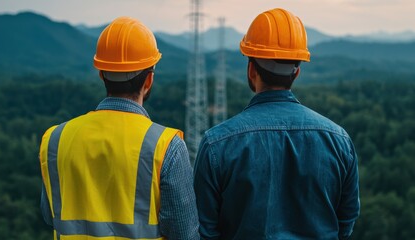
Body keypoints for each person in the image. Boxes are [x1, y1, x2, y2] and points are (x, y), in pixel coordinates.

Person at [194, 8, 360, 240]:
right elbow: (345, 223)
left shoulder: (217, 144)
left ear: (252, 70)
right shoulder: (339, 140)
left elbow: (204, 230)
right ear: (297, 72)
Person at [39, 16, 199, 240]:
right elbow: (184, 234)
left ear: (101, 74)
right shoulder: (165, 147)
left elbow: (50, 213)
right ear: (149, 80)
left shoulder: (55, 139)